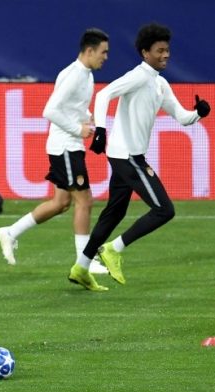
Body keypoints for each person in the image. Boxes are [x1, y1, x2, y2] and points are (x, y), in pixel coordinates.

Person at [69, 23, 210, 286]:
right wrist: (100, 129)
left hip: (127, 155)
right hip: (129, 157)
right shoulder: (139, 76)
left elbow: (182, 117)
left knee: (114, 213)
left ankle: (81, 267)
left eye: (167, 50)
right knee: (164, 209)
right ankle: (113, 249)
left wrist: (200, 112)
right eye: (159, 51)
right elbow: (104, 94)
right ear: (145, 53)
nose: (165, 55)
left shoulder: (160, 84)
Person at [0, 29, 110, 290]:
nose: (106, 57)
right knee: (85, 201)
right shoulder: (74, 75)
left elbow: (72, 106)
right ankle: (85, 260)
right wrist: (77, 129)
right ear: (89, 51)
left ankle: (10, 232)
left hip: (67, 146)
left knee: (61, 203)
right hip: (66, 147)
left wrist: (87, 116)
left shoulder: (84, 75)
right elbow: (50, 110)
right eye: (103, 52)